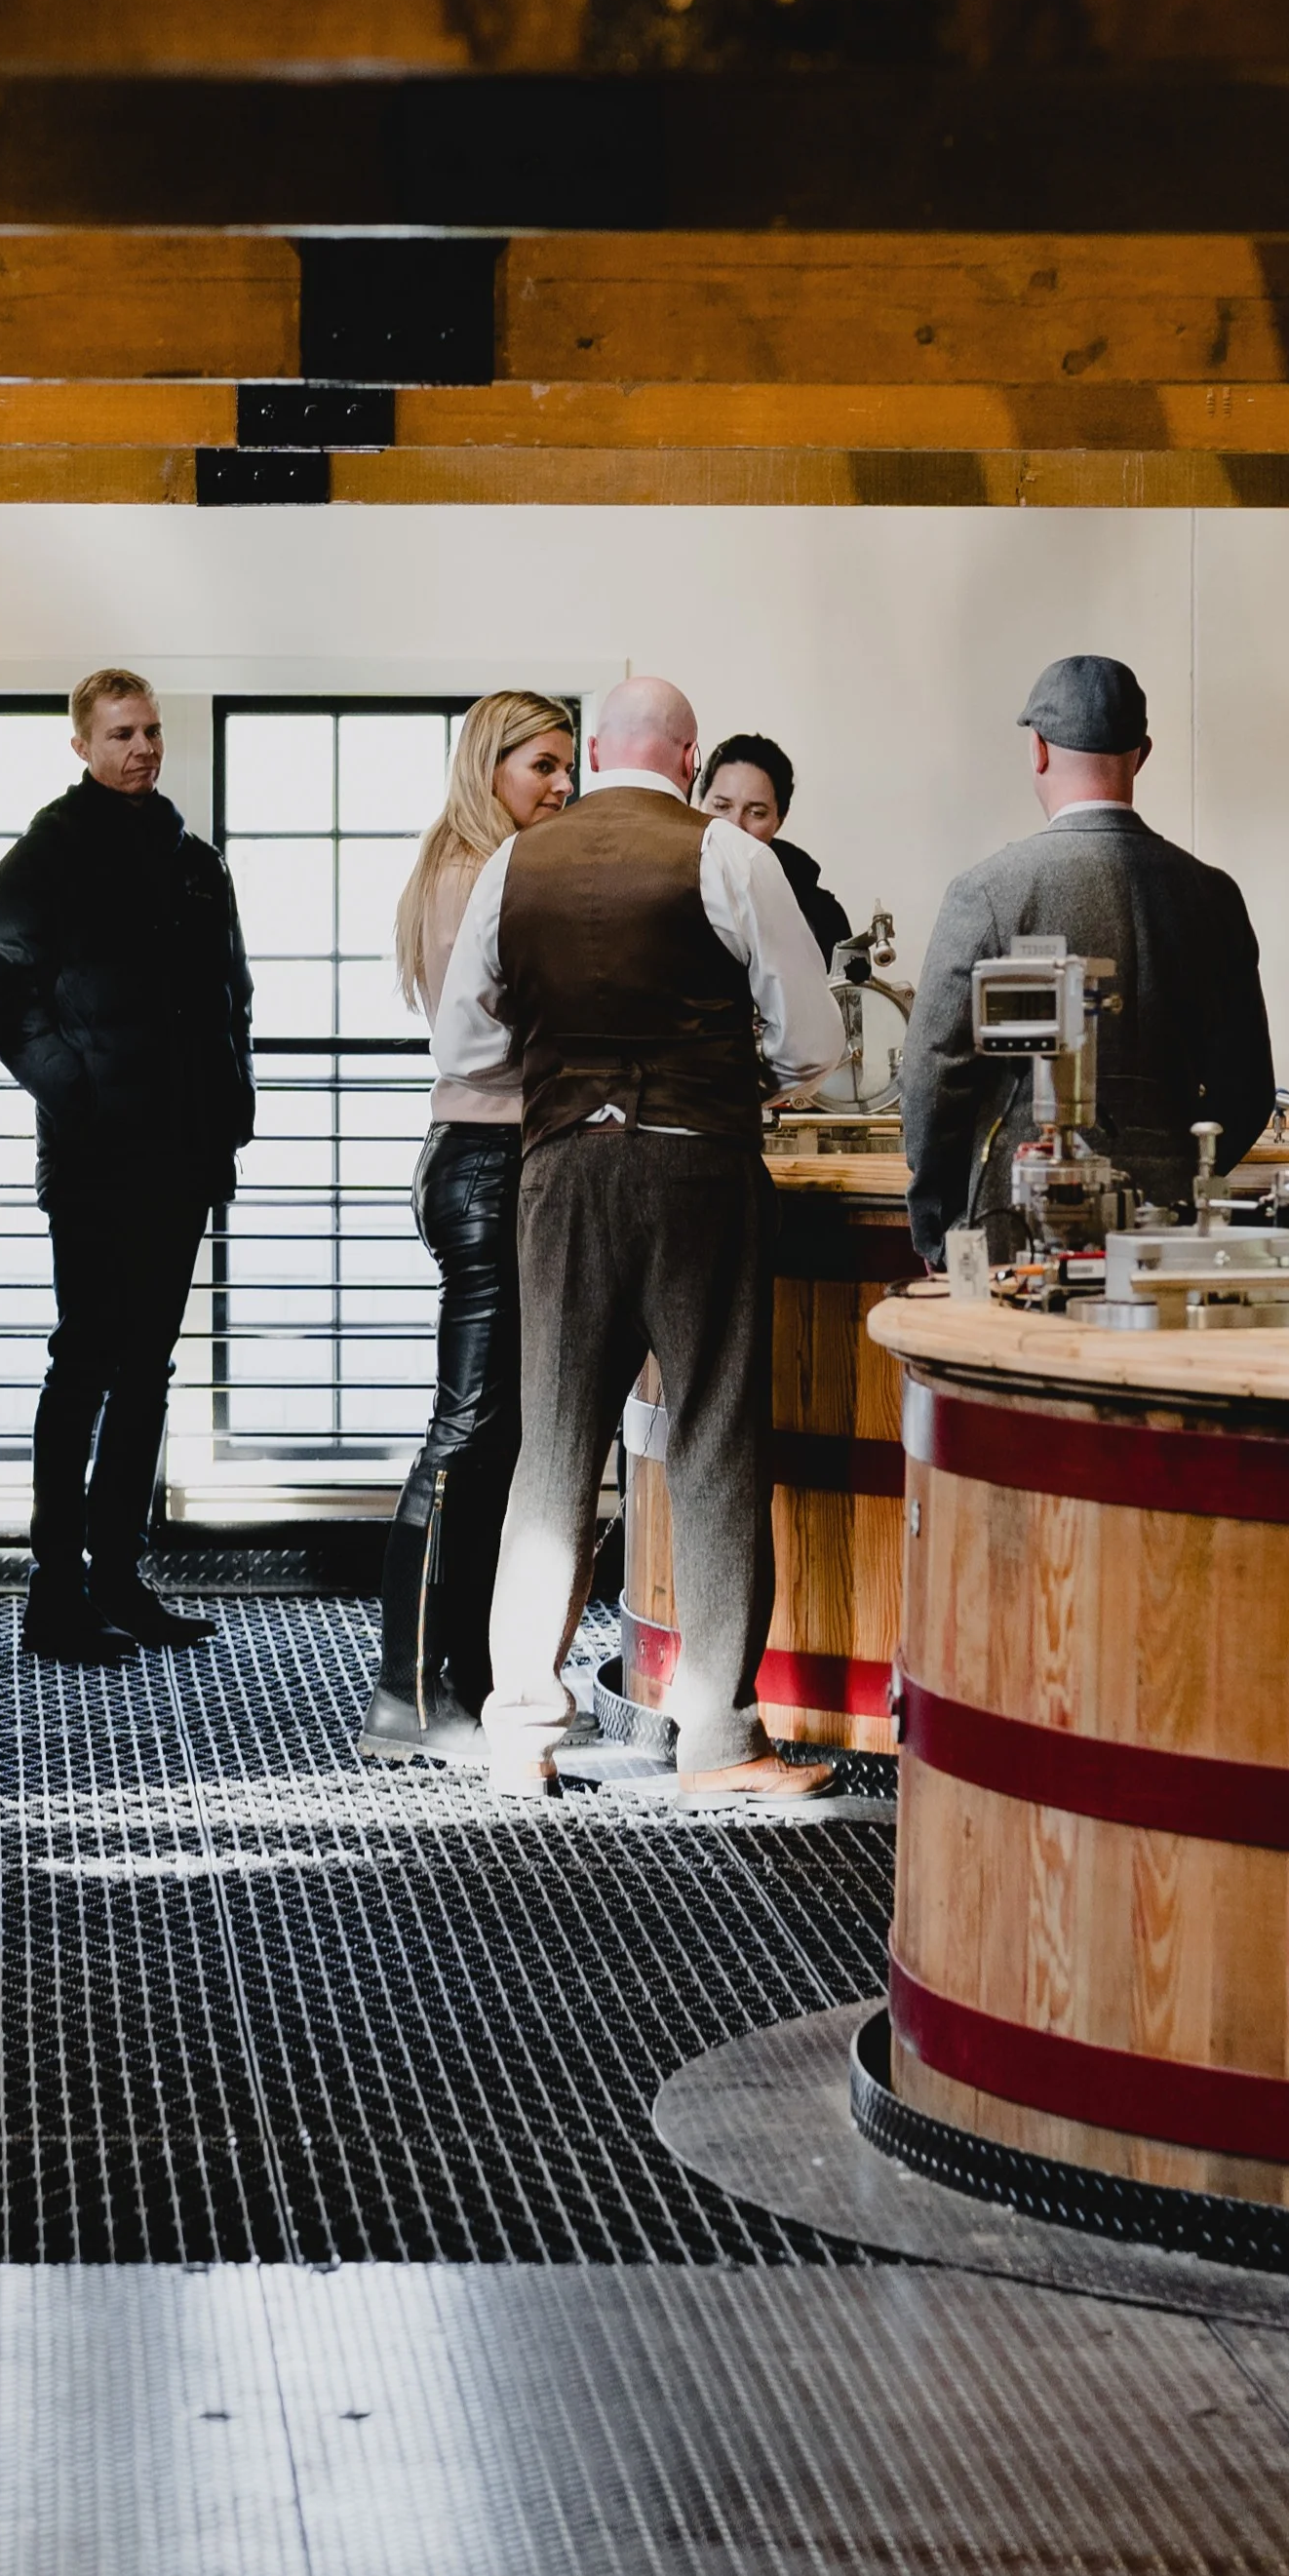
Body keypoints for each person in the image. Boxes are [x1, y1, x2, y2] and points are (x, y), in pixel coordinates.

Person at [432, 673, 845, 1799]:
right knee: (710, 1435)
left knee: (553, 1444)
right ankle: (715, 1739)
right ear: (685, 752)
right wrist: (728, 1079)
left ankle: (520, 1727)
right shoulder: (726, 853)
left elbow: (461, 1046)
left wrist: (564, 1076)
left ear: (598, 748)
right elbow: (814, 1040)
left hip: (560, 1166)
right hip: (695, 1163)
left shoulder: (516, 862)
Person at [0, 669, 257, 1665]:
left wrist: (232, 1107)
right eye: (120, 733)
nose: (140, 748)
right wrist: (86, 1096)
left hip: (182, 1153)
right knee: (86, 1364)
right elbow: (6, 1009)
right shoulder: (40, 860)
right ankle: (53, 1593)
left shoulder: (193, 861)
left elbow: (233, 995)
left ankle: (119, 1577)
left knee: (148, 1370)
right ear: (81, 743)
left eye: (150, 731)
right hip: (96, 1157)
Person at [362, 689, 577, 1766]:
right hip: (487, 1164)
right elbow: (488, 1041)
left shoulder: (483, 863)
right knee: (464, 1432)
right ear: (489, 764)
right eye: (540, 764)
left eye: (567, 765)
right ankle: (402, 1693)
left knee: (495, 1440)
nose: (561, 784)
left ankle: (466, 1672)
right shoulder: (470, 871)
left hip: (495, 1163)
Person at [901, 651, 1278, 1254]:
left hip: (1012, 1225)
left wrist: (937, 1227)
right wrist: (1181, 1170)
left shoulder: (988, 892)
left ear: (1040, 751)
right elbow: (1250, 1089)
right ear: (1143, 754)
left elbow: (931, 1078)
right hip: (1170, 1229)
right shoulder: (1212, 896)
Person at [697, 733, 851, 965]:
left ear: (780, 819)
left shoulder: (818, 913)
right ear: (699, 804)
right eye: (721, 806)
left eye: (756, 812)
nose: (735, 826)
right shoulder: (665, 888)